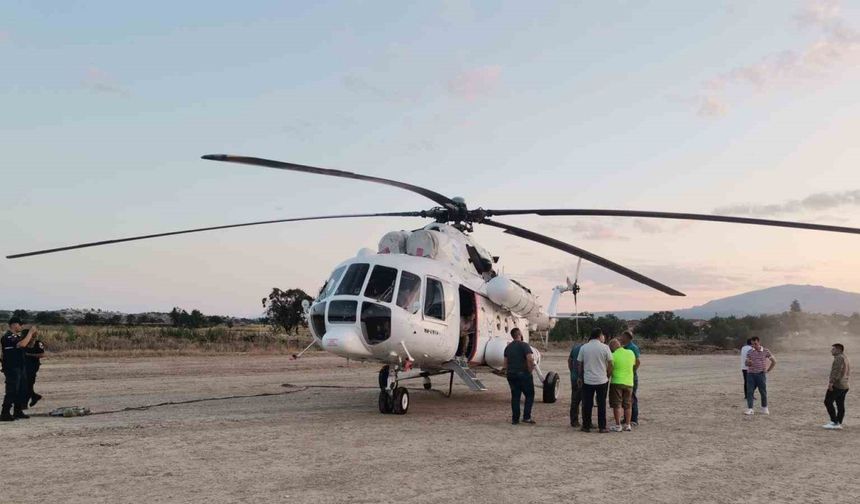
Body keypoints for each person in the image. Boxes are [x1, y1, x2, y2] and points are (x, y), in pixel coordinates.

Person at [577, 328, 613, 433]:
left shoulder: (584, 347)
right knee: (601, 404)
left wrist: (580, 376)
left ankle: (586, 426)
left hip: (588, 380)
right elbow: (611, 363)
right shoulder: (605, 347)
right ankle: (602, 427)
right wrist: (608, 375)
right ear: (599, 335)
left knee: (587, 404)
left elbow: (580, 363)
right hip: (602, 380)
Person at [2, 317, 38, 421]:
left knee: (21, 389)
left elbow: (28, 345)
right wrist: (30, 333)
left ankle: (18, 411)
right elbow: (21, 344)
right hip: (12, 367)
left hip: (20, 366)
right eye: (20, 324)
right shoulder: (8, 336)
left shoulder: (17, 337)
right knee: (12, 390)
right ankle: (5, 413)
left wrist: (33, 337)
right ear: (13, 325)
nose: (21, 326)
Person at [503, 328, 535, 425]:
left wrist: (507, 372)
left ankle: (515, 419)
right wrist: (530, 370)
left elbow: (505, 363)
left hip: (511, 374)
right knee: (529, 395)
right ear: (520, 334)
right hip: (523, 374)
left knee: (515, 396)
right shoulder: (524, 345)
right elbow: (529, 359)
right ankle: (526, 417)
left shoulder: (508, 347)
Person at [608, 338, 635, 432]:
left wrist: (608, 376)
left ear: (612, 347)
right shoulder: (631, 353)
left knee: (617, 404)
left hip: (617, 382)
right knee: (628, 405)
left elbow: (610, 367)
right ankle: (628, 424)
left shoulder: (613, 355)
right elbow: (635, 363)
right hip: (629, 382)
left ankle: (618, 425)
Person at [744, 336, 775, 416]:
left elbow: (774, 361)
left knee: (763, 392)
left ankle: (764, 408)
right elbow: (746, 363)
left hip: (761, 375)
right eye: (752, 344)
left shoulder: (766, 351)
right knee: (750, 392)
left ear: (759, 342)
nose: (753, 346)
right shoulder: (749, 352)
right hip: (750, 375)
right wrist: (748, 362)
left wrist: (768, 370)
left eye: (755, 344)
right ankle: (750, 409)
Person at [823, 343, 850, 430]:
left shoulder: (839, 358)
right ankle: (838, 422)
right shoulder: (844, 357)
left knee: (828, 401)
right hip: (845, 385)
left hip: (838, 385)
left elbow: (836, 371)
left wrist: (831, 382)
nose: (831, 351)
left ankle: (835, 422)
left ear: (838, 350)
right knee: (840, 404)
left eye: (833, 349)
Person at [620, 330, 641, 425]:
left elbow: (637, 362)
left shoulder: (633, 348)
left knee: (632, 398)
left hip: (631, 377)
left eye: (622, 337)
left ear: (627, 337)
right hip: (625, 377)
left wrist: (632, 372)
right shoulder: (624, 348)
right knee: (625, 398)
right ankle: (626, 418)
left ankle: (634, 419)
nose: (621, 338)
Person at [24, 335, 46, 408]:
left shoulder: (38, 343)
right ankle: (33, 397)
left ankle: (26, 402)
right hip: (24, 365)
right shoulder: (24, 342)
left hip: (33, 366)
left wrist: (29, 355)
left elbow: (42, 354)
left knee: (28, 384)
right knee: (26, 385)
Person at [567, 338, 584, 427]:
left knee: (575, 400)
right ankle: (586, 421)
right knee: (585, 401)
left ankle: (574, 420)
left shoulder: (575, 348)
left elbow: (569, 360)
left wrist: (572, 371)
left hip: (574, 377)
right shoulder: (586, 349)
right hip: (583, 378)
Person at [741, 338, 753, 404]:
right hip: (749, 367)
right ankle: (750, 395)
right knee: (751, 383)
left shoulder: (743, 348)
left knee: (746, 382)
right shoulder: (751, 349)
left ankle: (746, 395)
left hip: (743, 367)